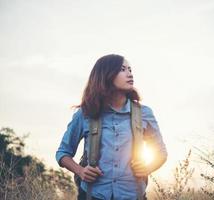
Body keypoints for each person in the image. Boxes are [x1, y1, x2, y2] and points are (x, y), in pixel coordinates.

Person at [55, 54, 168, 200]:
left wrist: (148, 167)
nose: (130, 73)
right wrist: (80, 171)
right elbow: (63, 153)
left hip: (133, 196)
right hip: (93, 196)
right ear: (106, 75)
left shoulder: (144, 113)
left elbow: (161, 153)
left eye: (130, 69)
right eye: (122, 69)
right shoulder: (85, 113)